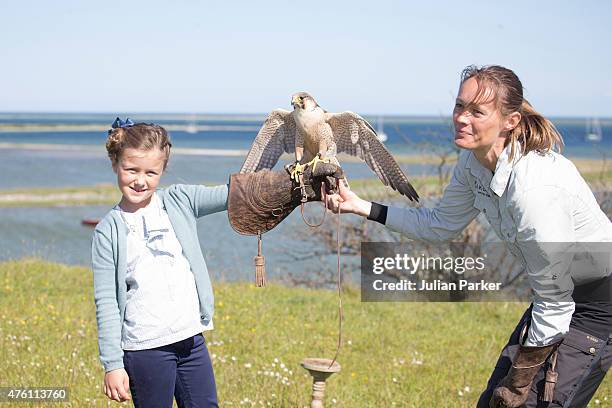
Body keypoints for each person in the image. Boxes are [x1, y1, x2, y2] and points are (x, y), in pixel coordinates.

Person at [326, 65, 611, 407]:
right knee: (492, 402)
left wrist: (520, 381)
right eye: (460, 106)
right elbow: (439, 225)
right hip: (557, 297)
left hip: (598, 303)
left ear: (511, 121)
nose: (462, 118)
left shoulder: (534, 188)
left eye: (477, 111)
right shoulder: (472, 164)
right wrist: (361, 206)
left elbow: (556, 302)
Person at [91, 118, 342, 407]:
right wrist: (113, 364)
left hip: (191, 341)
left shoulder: (178, 199)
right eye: (131, 169)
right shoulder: (108, 230)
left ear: (163, 170)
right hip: (145, 348)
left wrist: (297, 182)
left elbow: (233, 195)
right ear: (115, 165)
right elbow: (106, 301)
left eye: (151, 172)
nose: (140, 180)